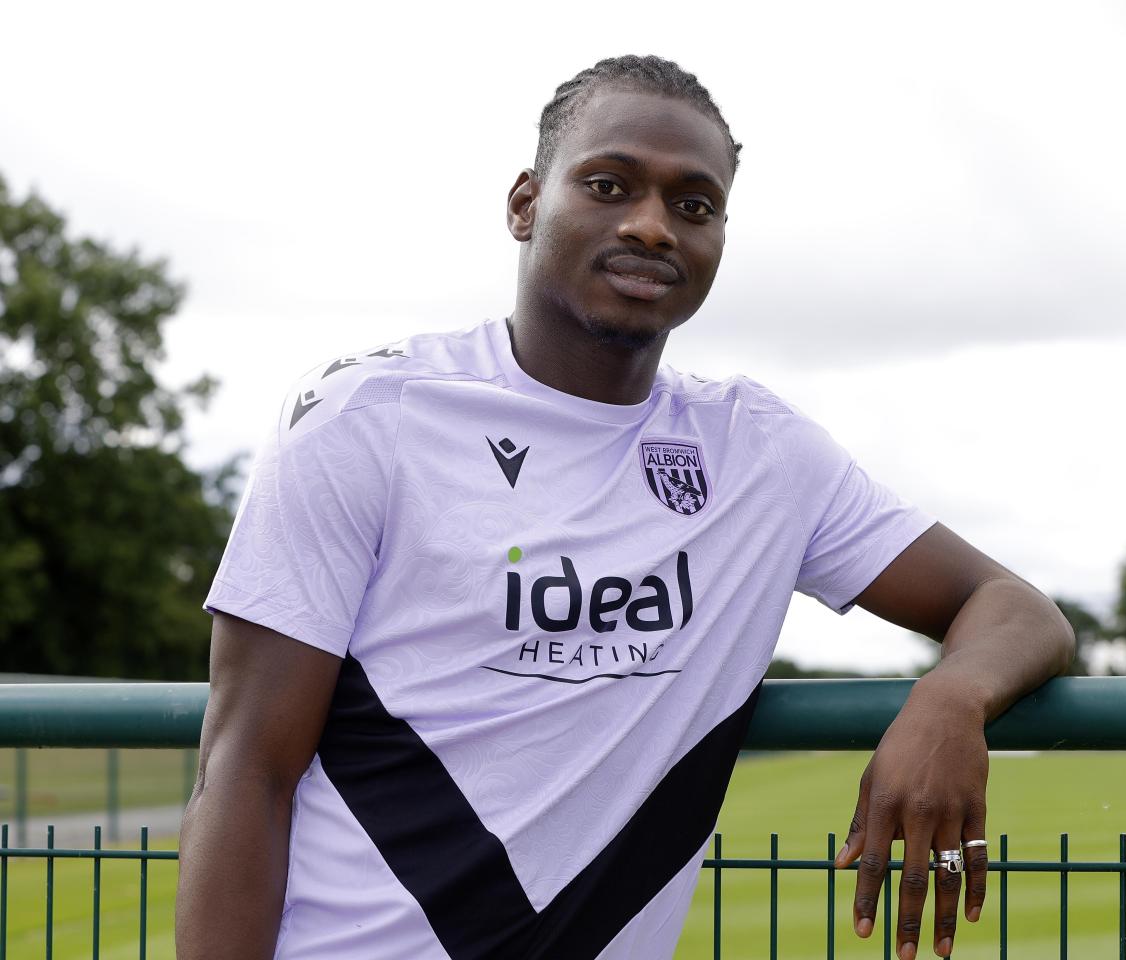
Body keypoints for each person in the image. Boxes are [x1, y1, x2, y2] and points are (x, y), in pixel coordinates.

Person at [176, 55, 1074, 960]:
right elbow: (246, 770)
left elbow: (1014, 608)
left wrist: (950, 700)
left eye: (694, 206)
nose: (653, 226)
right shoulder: (368, 416)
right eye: (609, 185)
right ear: (526, 204)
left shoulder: (761, 455)